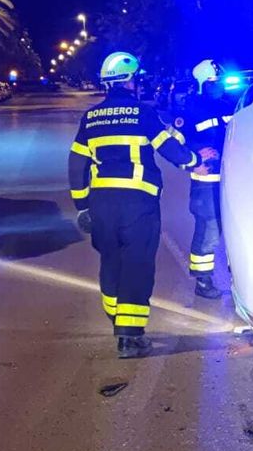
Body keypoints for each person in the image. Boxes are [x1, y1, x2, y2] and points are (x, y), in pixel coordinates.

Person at [68, 51, 206, 358]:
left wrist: (82, 205)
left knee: (111, 261)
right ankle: (129, 337)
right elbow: (168, 148)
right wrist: (194, 162)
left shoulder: (90, 118)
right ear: (129, 81)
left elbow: (76, 163)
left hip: (102, 204)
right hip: (138, 203)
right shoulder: (142, 113)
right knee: (138, 264)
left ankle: (116, 317)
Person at [177, 59, 235, 299]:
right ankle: (202, 281)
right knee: (209, 233)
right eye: (214, 82)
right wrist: (193, 159)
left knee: (233, 231)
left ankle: (239, 280)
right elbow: (174, 145)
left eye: (220, 81)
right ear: (203, 84)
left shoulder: (230, 105)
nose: (219, 86)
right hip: (206, 183)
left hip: (233, 180)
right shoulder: (189, 111)